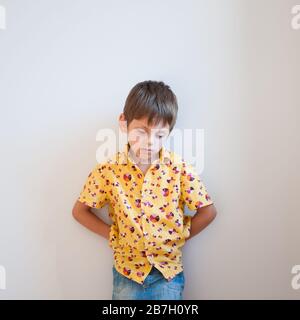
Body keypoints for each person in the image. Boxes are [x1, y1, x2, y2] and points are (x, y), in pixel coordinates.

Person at [72, 80, 217, 300]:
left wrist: (180, 236)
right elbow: (79, 211)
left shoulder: (179, 169)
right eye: (141, 132)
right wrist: (113, 236)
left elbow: (208, 212)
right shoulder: (108, 170)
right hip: (126, 274)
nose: (149, 142)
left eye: (159, 135)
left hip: (168, 275)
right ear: (124, 123)